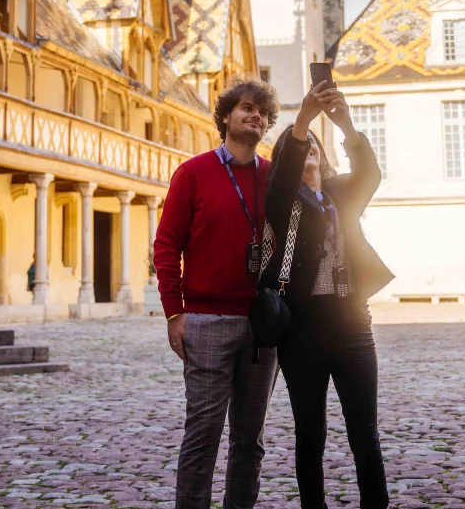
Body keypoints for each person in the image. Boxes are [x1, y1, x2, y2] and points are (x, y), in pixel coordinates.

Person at [260, 81, 394, 509]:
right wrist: (301, 121)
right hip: (301, 332)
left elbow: (371, 173)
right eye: (299, 146)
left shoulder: (342, 194)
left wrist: (346, 124)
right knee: (310, 435)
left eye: (314, 143)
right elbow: (280, 185)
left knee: (364, 432)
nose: (309, 148)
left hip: (354, 326)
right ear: (288, 158)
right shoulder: (281, 201)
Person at [154, 77, 280, 509]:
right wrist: (175, 312)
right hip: (207, 321)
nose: (255, 116)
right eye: (246, 108)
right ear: (225, 116)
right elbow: (167, 245)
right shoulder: (193, 173)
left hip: (261, 324)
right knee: (203, 436)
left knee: (250, 441)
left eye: (262, 112)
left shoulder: (273, 176)